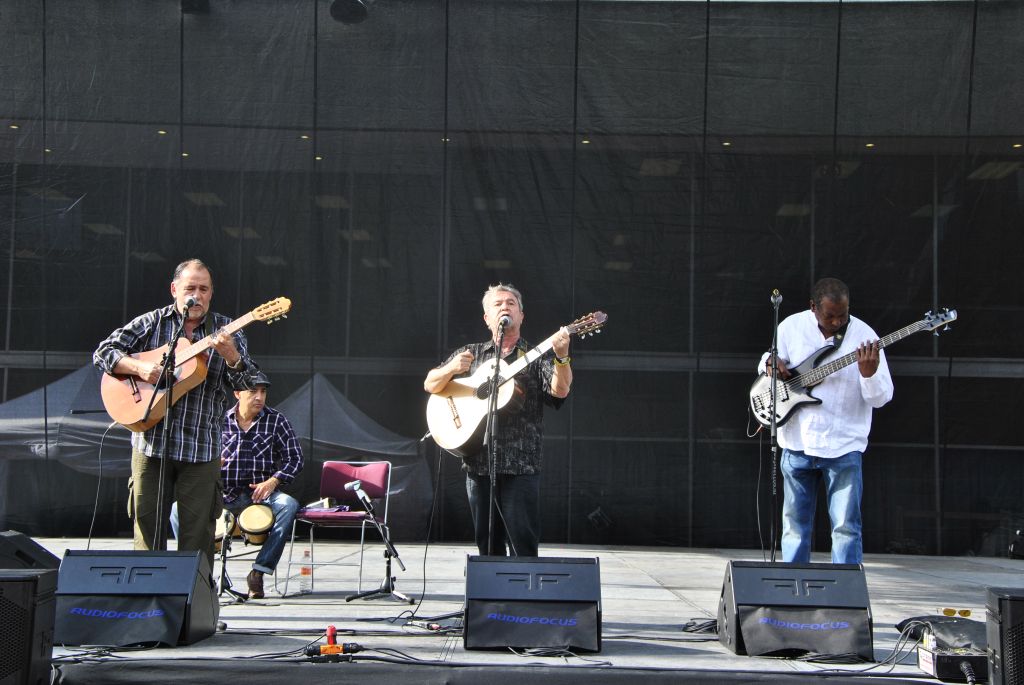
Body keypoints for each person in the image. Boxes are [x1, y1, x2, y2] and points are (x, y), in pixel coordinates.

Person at [94, 258, 257, 570]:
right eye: (190, 288)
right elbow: (104, 352)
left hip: (200, 448)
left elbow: (247, 382)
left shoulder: (226, 332)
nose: (197, 294)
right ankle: (148, 607)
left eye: (203, 289)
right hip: (150, 442)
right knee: (147, 532)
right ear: (175, 290)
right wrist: (140, 367)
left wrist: (232, 356)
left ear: (211, 293)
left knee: (198, 538)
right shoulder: (153, 323)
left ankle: (193, 610)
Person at [423, 283, 572, 557]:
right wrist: (451, 368)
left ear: (521, 316)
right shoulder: (471, 353)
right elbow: (430, 384)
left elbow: (559, 390)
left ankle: (524, 599)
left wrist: (562, 357)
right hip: (479, 464)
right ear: (487, 318)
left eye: (511, 303)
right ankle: (490, 601)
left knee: (522, 546)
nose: (505, 307)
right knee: (487, 546)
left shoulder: (536, 356)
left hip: (520, 465)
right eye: (498, 304)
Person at [760, 277, 894, 565]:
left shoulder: (865, 336)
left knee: (846, 528)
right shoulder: (790, 327)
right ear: (813, 307)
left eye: (842, 315)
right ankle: (792, 591)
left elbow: (881, 398)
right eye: (829, 315)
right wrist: (771, 365)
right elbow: (769, 360)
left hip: (843, 445)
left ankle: (845, 595)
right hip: (797, 442)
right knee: (794, 526)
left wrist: (869, 374)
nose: (836, 322)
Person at [171, 370, 303, 599]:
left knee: (289, 505)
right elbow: (193, 455)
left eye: (263, 392)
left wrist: (274, 481)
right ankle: (204, 572)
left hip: (261, 494)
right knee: (176, 510)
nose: (259, 397)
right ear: (237, 393)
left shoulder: (277, 421)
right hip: (223, 494)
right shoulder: (218, 421)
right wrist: (211, 463)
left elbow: (296, 458)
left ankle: (259, 572)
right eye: (253, 391)